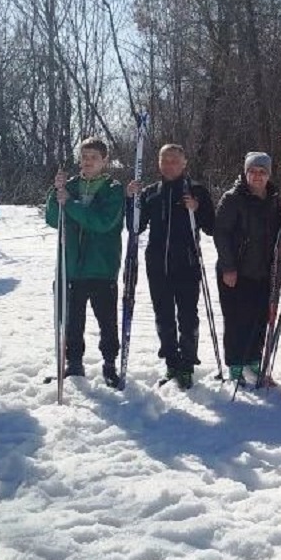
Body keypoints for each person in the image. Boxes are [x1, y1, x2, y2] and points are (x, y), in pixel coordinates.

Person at [126, 144, 215, 389]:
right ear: (158, 163)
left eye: (174, 160)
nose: (169, 165)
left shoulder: (195, 190)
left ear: (184, 162)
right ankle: (171, 362)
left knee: (187, 316)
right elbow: (135, 226)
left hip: (187, 263)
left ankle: (187, 364)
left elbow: (211, 226)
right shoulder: (152, 192)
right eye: (165, 160)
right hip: (157, 265)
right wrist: (131, 200)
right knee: (163, 316)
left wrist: (197, 209)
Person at [45, 137, 125, 386]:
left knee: (107, 320)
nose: (88, 161)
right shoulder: (70, 185)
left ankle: (110, 362)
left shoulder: (113, 188)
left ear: (104, 161)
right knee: (72, 319)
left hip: (101, 267)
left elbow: (102, 222)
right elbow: (52, 218)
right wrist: (55, 194)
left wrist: (69, 202)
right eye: (84, 156)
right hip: (72, 266)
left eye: (93, 157)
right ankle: (74, 362)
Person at [214, 151, 281, 381]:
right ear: (245, 173)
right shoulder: (233, 198)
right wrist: (228, 267)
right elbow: (221, 233)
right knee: (236, 318)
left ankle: (253, 359)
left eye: (262, 172)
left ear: (268, 175)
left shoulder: (275, 200)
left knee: (259, 318)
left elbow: (280, 233)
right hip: (237, 270)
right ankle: (235, 363)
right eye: (252, 171)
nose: (257, 176)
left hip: (264, 270)